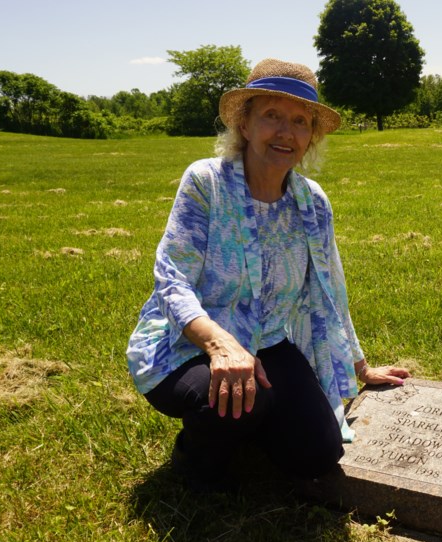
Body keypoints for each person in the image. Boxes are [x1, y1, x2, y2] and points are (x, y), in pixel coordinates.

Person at [126, 59, 409, 488]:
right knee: (237, 400)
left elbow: (330, 286)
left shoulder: (311, 203)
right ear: (244, 123)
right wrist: (222, 347)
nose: (286, 132)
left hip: (271, 343)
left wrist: (361, 367)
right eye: (271, 116)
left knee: (317, 455)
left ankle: (250, 425)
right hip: (188, 343)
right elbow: (172, 277)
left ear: (310, 136)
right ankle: (194, 462)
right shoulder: (206, 182)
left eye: (299, 121)